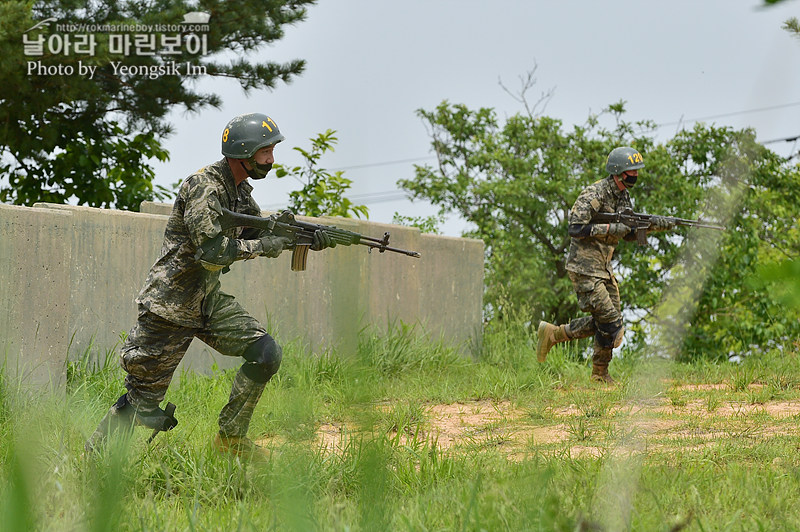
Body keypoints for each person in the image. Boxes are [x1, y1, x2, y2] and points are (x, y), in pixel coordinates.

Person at [85, 112, 335, 455]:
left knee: (265, 354)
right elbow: (212, 253)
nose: (271, 160)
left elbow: (253, 231)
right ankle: (91, 463)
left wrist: (301, 237)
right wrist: (264, 246)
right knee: (142, 403)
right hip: (169, 306)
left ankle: (230, 440)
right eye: (266, 152)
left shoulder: (240, 192)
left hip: (206, 301)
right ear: (244, 152)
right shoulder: (203, 187)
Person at [535, 147, 674, 383]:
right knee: (612, 324)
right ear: (619, 173)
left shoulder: (623, 197)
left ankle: (597, 373)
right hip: (584, 268)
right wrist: (609, 229)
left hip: (604, 268)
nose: (635, 176)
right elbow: (575, 228)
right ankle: (559, 339)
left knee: (607, 325)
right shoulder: (594, 194)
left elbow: (629, 234)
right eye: (632, 172)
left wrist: (654, 225)